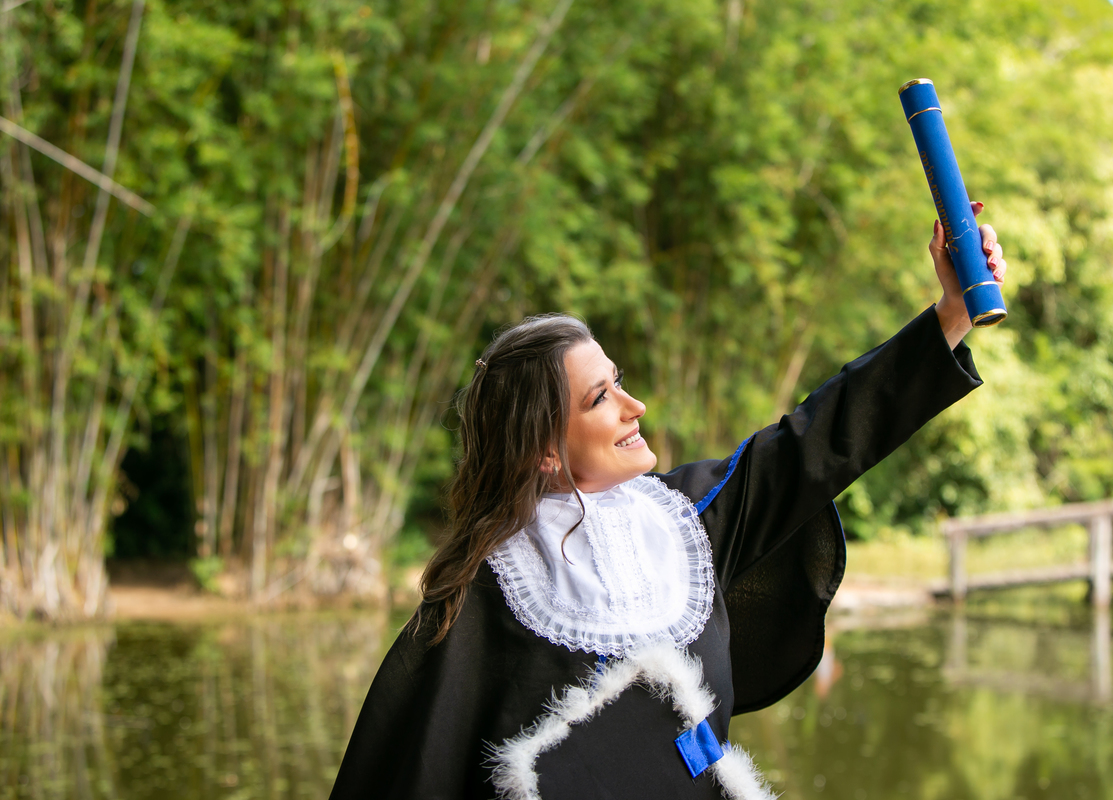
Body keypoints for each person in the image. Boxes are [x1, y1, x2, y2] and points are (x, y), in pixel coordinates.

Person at [328, 208, 1007, 800]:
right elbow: (404, 775)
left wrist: (950, 312)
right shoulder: (481, 602)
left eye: (618, 382)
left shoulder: (688, 522)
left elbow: (823, 438)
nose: (635, 406)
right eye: (601, 398)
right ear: (543, 450)